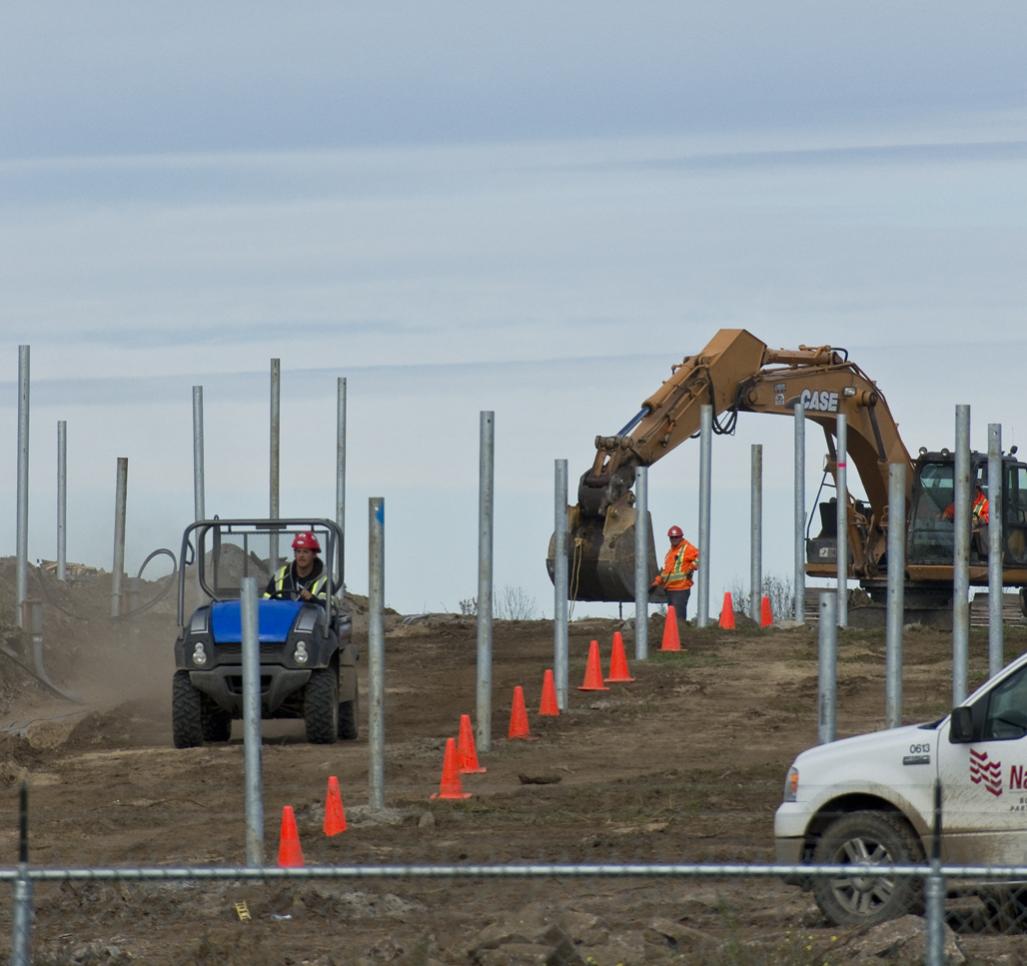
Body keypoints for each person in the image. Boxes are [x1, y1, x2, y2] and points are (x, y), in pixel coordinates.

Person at [263, 531, 330, 603]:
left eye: (305, 552)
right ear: (294, 554)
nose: (301, 555)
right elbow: (265, 602)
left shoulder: (325, 580)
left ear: (314, 555)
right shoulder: (280, 577)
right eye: (298, 551)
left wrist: (312, 599)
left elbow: (328, 607)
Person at [651, 525, 700, 621]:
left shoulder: (687, 548)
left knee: (678, 619)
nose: (674, 539)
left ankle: (682, 633)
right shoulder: (671, 553)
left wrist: (692, 567)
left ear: (681, 536)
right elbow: (667, 572)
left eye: (676, 537)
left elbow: (700, 556)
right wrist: (657, 582)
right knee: (672, 619)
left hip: (681, 589)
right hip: (670, 590)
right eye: (672, 537)